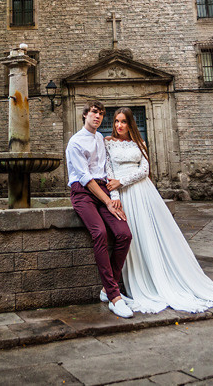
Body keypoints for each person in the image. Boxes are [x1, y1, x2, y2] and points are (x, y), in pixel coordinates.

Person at [105, 107, 213, 313]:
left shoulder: (140, 143)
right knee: (135, 236)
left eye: (123, 122)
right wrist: (115, 195)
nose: (119, 125)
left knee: (152, 233)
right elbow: (108, 172)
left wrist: (121, 181)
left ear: (130, 124)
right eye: (116, 121)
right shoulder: (107, 143)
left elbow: (144, 171)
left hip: (143, 192)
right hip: (125, 196)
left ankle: (164, 277)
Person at [66, 100, 134, 318]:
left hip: (103, 190)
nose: (98, 117)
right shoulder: (75, 143)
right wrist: (106, 201)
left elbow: (106, 170)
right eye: (94, 113)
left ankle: (107, 288)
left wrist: (112, 197)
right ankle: (115, 298)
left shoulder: (100, 139)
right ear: (85, 115)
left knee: (124, 234)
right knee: (100, 233)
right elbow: (86, 179)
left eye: (101, 114)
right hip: (83, 193)